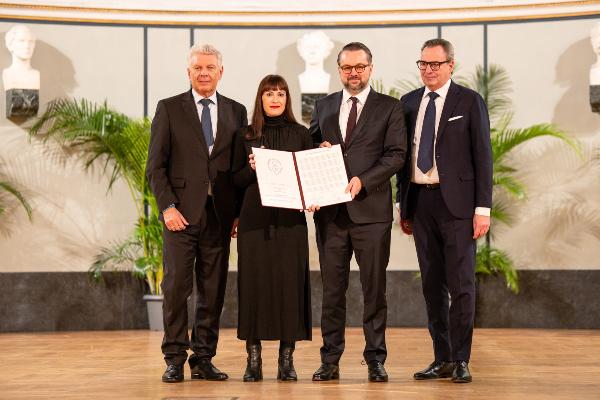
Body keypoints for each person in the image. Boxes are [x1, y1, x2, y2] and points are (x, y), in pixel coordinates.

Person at [146, 43, 247, 383]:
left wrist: (237, 213)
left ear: (221, 72)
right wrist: (167, 208)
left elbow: (237, 170)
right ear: (187, 72)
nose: (204, 73)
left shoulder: (236, 111)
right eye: (197, 68)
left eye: (210, 67)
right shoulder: (170, 108)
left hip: (219, 215)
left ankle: (203, 357)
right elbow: (155, 167)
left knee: (213, 288)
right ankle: (174, 357)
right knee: (176, 287)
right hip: (180, 216)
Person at [395, 38, 492, 383]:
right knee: (432, 285)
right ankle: (442, 358)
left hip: (460, 207)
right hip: (420, 203)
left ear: (452, 65)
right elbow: (400, 156)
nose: (429, 70)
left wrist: (483, 209)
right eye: (424, 64)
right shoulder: (407, 103)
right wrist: (401, 203)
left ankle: (462, 359)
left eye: (436, 64)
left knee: (462, 284)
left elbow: (483, 157)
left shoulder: (470, 101)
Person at [309, 42, 406, 382]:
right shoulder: (322, 106)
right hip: (331, 216)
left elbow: (396, 155)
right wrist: (316, 149)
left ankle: (376, 358)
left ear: (370, 68)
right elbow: (308, 148)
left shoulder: (390, 107)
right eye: (347, 68)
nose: (354, 73)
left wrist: (363, 180)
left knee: (373, 290)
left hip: (372, 214)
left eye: (359, 67)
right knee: (332, 292)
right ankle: (330, 359)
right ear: (339, 71)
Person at [232, 74, 312, 382]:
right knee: (254, 285)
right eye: (269, 93)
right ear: (260, 99)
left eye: (280, 93)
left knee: (289, 286)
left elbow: (310, 178)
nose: (275, 98)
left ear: (287, 99)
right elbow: (234, 180)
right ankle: (253, 360)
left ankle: (286, 359)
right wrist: (251, 170)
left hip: (291, 222)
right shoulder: (246, 134)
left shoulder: (302, 134)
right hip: (254, 220)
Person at [2, 24, 40, 90]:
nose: (27, 46)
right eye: (21, 41)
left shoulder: (36, 74)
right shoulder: (8, 74)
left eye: (31, 41)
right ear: (10, 45)